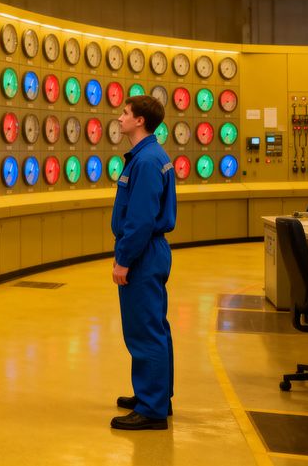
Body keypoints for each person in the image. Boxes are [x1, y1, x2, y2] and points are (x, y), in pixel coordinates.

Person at [109, 95, 177, 431]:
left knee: (144, 331)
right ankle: (157, 396)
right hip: (150, 251)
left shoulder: (147, 161)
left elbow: (140, 219)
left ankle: (151, 409)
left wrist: (123, 260)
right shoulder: (149, 156)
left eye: (124, 113)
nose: (119, 117)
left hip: (143, 253)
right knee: (156, 327)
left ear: (139, 121)